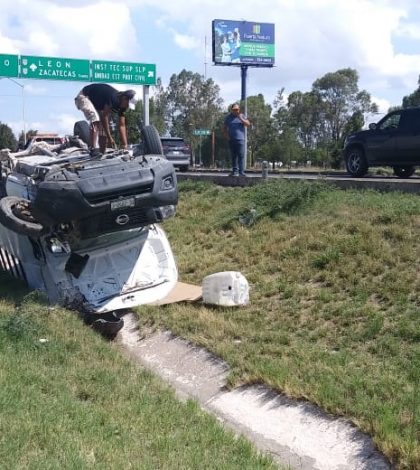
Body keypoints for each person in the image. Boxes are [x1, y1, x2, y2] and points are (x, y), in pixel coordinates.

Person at [75, 83, 136, 153]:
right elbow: (105, 117)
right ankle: (92, 148)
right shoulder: (113, 97)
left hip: (96, 102)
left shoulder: (123, 105)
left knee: (104, 126)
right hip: (83, 96)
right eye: (128, 104)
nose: (127, 107)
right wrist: (110, 138)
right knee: (95, 118)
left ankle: (102, 149)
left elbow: (122, 126)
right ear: (124, 98)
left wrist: (125, 146)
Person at [223, 103, 250, 176]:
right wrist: (227, 137)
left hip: (240, 140)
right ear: (232, 110)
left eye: (237, 109)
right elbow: (224, 128)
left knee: (241, 156)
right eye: (234, 109)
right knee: (234, 156)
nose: (236, 111)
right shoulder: (228, 117)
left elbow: (248, 124)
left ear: (239, 109)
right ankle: (234, 171)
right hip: (232, 140)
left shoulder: (242, 116)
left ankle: (241, 172)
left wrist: (240, 118)